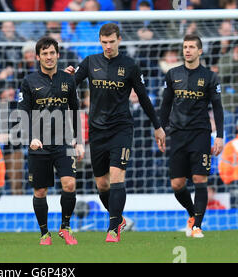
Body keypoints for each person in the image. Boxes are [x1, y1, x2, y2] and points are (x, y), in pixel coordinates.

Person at [64, 23, 165, 242]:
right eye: (104, 42)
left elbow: (144, 98)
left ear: (119, 40)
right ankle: (118, 218)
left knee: (117, 175)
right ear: (100, 41)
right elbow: (69, 86)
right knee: (102, 183)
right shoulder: (90, 62)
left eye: (112, 42)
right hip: (97, 130)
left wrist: (158, 127)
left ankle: (113, 229)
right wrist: (65, 76)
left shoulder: (129, 66)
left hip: (121, 128)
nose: (108, 46)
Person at [18, 36, 84, 246]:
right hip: (39, 144)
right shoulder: (29, 82)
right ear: (38, 57)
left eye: (52, 53)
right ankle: (44, 233)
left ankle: (65, 227)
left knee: (70, 184)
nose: (48, 57)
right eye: (44, 53)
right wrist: (30, 138)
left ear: (58, 54)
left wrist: (79, 140)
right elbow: (22, 113)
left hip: (63, 141)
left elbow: (75, 110)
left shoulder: (68, 80)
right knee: (40, 190)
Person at [160, 34, 225, 238]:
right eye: (185, 46)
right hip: (177, 134)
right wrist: (161, 129)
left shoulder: (210, 76)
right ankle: (192, 215)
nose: (187, 50)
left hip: (200, 134)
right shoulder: (172, 74)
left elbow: (218, 107)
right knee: (177, 184)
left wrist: (220, 136)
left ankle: (197, 226)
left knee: (199, 178)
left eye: (191, 47)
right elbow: (165, 105)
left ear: (200, 51)